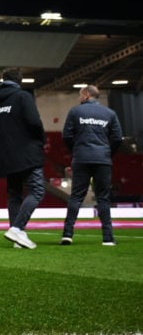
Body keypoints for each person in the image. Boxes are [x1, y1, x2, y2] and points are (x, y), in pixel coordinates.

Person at [0, 67, 45, 249]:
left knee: (14, 195)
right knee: (36, 190)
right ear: (19, 80)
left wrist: (6, 141)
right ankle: (17, 229)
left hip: (7, 154)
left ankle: (17, 237)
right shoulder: (23, 97)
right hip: (27, 152)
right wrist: (39, 140)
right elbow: (35, 122)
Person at [60, 84, 123, 246]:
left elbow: (66, 135)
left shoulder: (75, 111)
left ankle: (67, 234)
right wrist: (107, 153)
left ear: (87, 94)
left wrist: (75, 151)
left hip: (81, 158)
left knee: (76, 197)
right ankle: (108, 238)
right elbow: (117, 138)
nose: (79, 98)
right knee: (103, 198)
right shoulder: (110, 113)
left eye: (80, 95)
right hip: (102, 159)